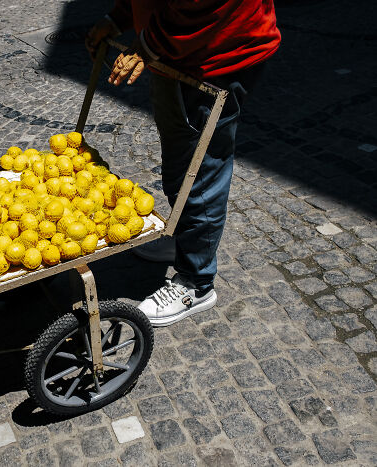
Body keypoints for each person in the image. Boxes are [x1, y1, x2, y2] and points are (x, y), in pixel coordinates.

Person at [86, 1, 281, 326]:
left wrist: (149, 44)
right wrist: (121, 16)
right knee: (181, 162)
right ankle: (185, 241)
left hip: (210, 58)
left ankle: (196, 282)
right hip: (182, 52)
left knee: (198, 172)